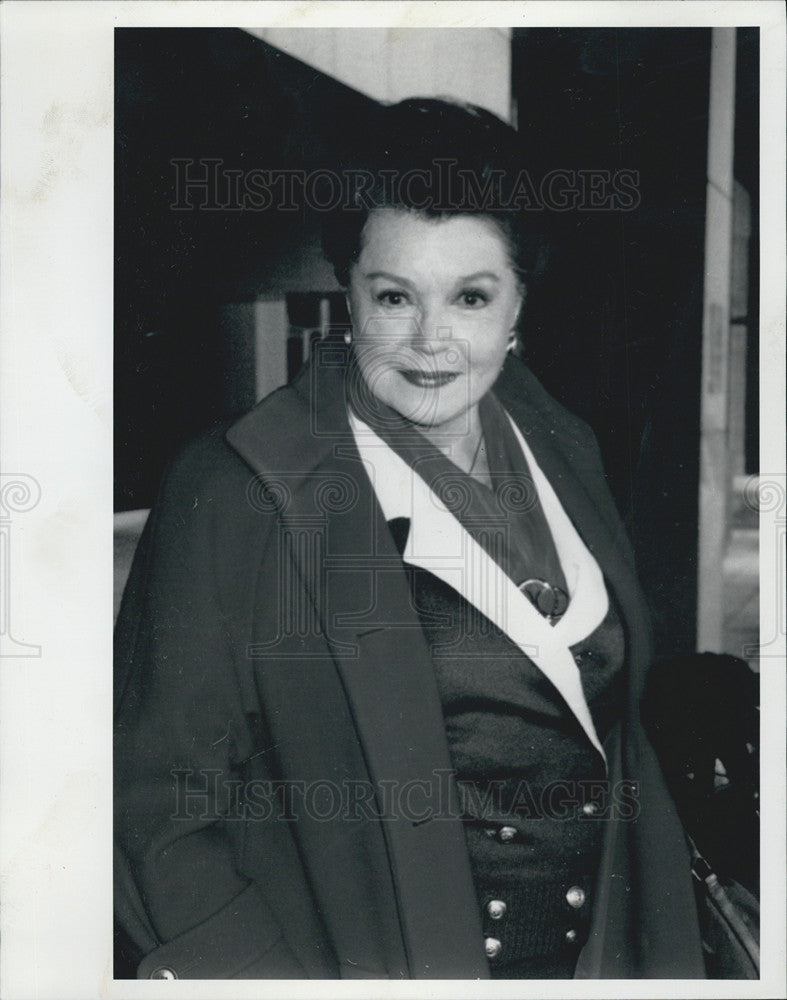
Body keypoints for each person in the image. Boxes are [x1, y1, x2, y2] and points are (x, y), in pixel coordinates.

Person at [114, 98, 706, 979]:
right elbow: (155, 813)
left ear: (517, 305)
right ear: (348, 292)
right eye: (394, 296)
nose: (431, 342)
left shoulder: (564, 444)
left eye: (470, 296)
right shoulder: (240, 486)